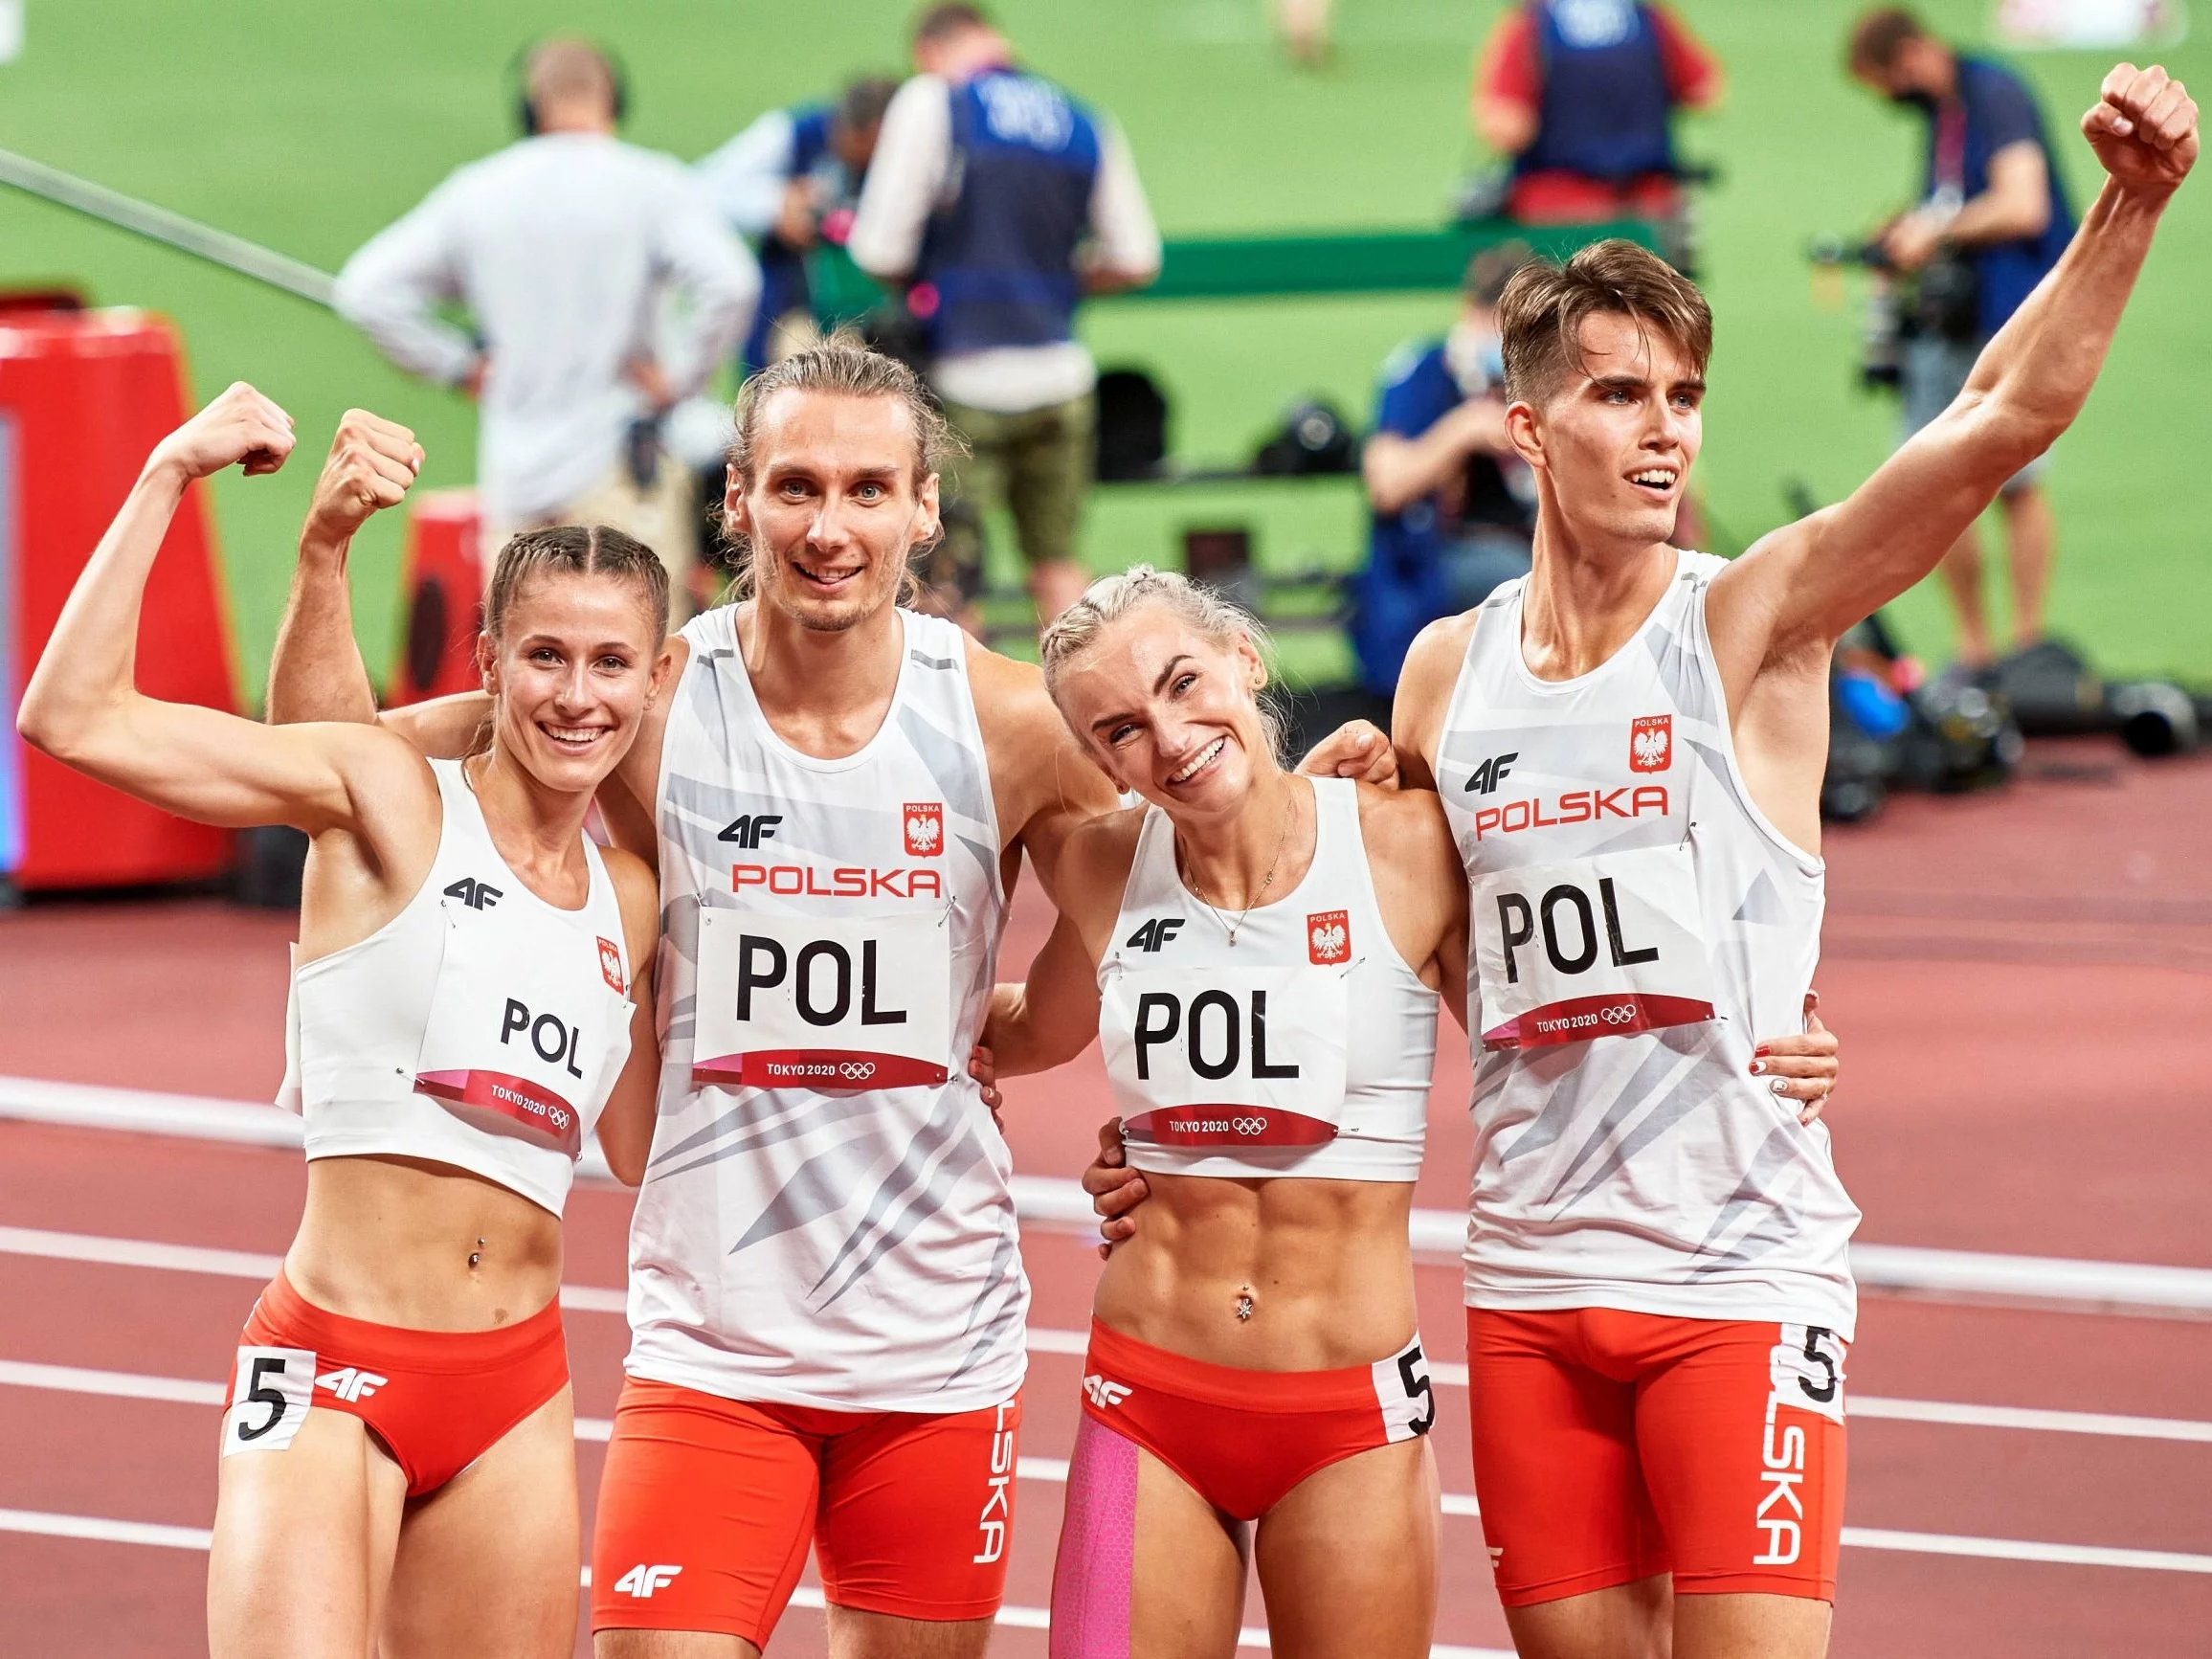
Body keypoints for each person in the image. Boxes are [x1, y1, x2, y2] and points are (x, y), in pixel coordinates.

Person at [1373, 64, 2195, 1659]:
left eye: (1683, 396)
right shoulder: (1436, 677)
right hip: (1534, 1275)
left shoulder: (1750, 621)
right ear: (1529, 429)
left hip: (1737, 1266)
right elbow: (1431, 955)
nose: (1664, 430)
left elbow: (1997, 415)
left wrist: (2130, 205)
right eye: (1620, 396)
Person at [983, 568, 1843, 1659]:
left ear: (1245, 660)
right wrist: (888, 1028)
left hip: (1347, 1421)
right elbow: (1026, 1028)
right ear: (1100, 760)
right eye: (1120, 729)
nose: (1168, 733)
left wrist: (1777, 1032)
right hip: (1144, 1395)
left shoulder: (1408, 846)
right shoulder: (1103, 867)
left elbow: (1565, 1001)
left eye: (1182, 681)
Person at [16, 388, 670, 1656]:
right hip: (328, 1370)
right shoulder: (386, 792)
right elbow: (70, 715)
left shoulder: (632, 898)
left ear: (656, 678)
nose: (575, 696)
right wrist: (167, 471)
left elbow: (655, 1146)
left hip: (517, 1392)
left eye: (609, 663)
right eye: (543, 656)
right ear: (485, 658)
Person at [335, 37, 760, 612]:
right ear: (615, 101)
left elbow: (367, 291)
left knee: (520, 669)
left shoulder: (477, 192)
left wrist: (458, 365)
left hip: (515, 475)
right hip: (623, 466)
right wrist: (680, 382)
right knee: (639, 670)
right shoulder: (652, 186)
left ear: (529, 107)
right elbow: (731, 284)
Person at [847, 2, 1162, 629]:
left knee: (949, 582)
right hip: (1061, 376)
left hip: (965, 379)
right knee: (1058, 569)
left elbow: (878, 247)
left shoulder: (936, 101)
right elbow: (1135, 257)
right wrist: (1051, 283)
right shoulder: (1079, 119)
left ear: (929, 51)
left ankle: (967, 728)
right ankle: (1088, 721)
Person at [1847, 9, 2078, 672]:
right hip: (1953, 322)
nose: (1893, 98)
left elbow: (2022, 203)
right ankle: (1975, 648)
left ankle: (2026, 646)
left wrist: (1934, 230)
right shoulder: (1945, 113)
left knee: (2017, 482)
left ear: (1911, 55)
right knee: (1931, 482)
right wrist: (1912, 226)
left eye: (1887, 82)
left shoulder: (1992, 93)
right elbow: (1957, 202)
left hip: (2007, 317)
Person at [1352, 243, 1540, 700]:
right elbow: (1387, 484)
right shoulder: (1426, 372)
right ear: (1474, 312)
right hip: (1442, 562)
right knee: (1524, 580)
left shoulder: (1544, 377)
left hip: (1530, 543)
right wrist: (1463, 431)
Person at [697, 76, 901, 378]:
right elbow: (700, 189)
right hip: (794, 312)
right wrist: (775, 205)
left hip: (886, 319)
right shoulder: (795, 134)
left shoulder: (919, 144)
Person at [1471, 0, 1721, 228]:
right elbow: (1705, 93)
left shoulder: (1534, 22)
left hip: (1558, 208)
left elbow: (1507, 128)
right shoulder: (1646, 16)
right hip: (1650, 207)